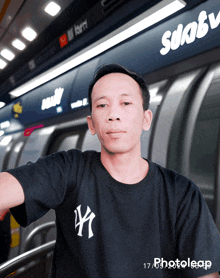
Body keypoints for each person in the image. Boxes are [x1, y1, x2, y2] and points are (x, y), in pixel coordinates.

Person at [0, 63, 220, 278]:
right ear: (92, 124)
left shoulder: (181, 194)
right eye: (102, 105)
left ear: (146, 119)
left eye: (125, 103)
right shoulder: (70, 169)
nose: (114, 114)